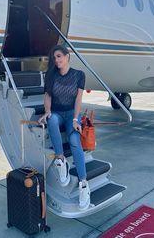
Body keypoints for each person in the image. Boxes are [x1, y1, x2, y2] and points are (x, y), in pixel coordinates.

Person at [38, 44, 90, 210]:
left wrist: (76, 119)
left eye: (59, 56)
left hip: (72, 115)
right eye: (54, 57)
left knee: (75, 142)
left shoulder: (79, 75)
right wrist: (47, 111)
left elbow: (78, 99)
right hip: (58, 113)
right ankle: (61, 161)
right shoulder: (51, 75)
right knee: (51, 119)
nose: (57, 60)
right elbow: (47, 95)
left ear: (68, 56)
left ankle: (83, 184)